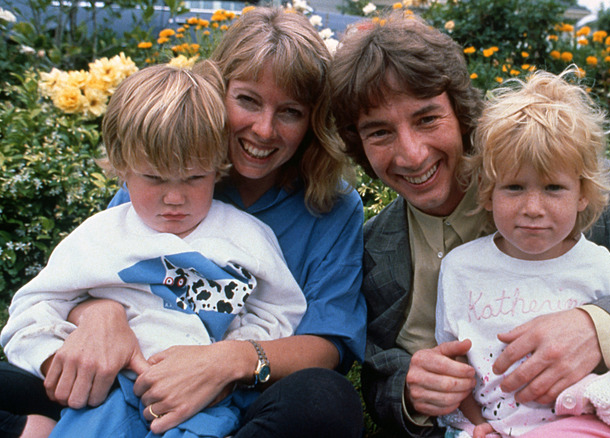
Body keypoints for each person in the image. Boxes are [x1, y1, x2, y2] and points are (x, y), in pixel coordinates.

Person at [329, 10, 610, 438]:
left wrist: (597, 329)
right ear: (359, 145)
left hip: (609, 417)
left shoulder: (573, 188)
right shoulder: (374, 249)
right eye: (380, 132)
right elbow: (379, 379)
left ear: (461, 113)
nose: (411, 154)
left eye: (427, 118)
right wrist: (410, 391)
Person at [0, 7, 366, 438]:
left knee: (324, 400)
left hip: (236, 393)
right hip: (118, 381)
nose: (264, 130)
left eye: (290, 112)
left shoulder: (331, 209)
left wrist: (227, 362)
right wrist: (101, 315)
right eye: (247, 100)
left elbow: (327, 345)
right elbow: (81, 279)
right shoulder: (166, 169)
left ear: (312, 122)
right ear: (217, 92)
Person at [435, 69, 610, 438]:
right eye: (513, 187)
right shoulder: (460, 269)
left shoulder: (605, 271)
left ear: (583, 194)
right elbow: (457, 366)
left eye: (553, 188)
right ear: (486, 191)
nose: (532, 207)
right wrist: (478, 426)